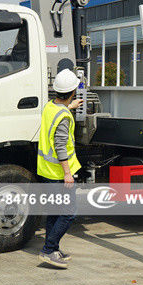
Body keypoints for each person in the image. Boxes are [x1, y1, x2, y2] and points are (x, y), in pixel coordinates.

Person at [37, 68, 83, 269]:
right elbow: (60, 145)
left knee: (55, 213)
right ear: (73, 91)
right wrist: (67, 174)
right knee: (68, 213)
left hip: (46, 170)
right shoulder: (64, 116)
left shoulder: (49, 107)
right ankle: (48, 250)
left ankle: (53, 248)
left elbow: (58, 114)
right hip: (58, 173)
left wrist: (69, 107)